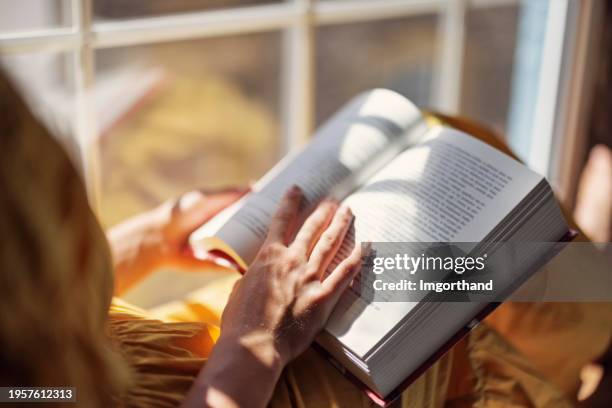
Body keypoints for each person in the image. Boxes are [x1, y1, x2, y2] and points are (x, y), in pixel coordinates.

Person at [1, 67, 609, 407]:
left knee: (444, 135)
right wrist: (254, 344)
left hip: (197, 344)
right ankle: (594, 311)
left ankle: (586, 281)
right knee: (446, 283)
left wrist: (153, 237)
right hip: (269, 372)